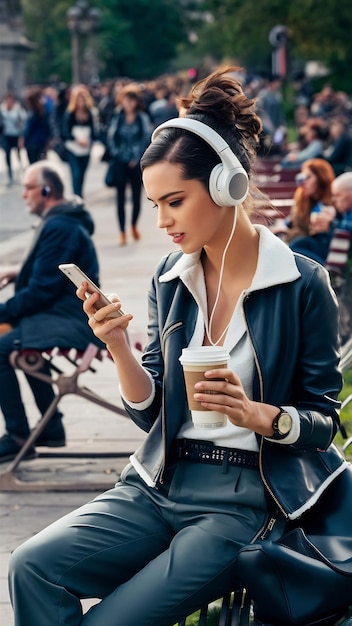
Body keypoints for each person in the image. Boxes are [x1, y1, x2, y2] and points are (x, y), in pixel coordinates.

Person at [8, 67, 346, 626]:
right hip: (159, 483)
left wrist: (256, 414)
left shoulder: (301, 284)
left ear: (226, 186)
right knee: (29, 567)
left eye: (174, 201)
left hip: (242, 503)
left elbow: (322, 422)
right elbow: (150, 413)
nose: (161, 220)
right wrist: (115, 343)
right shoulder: (171, 277)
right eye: (154, 203)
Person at [0, 160, 103, 463]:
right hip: (60, 311)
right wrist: (19, 271)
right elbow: (51, 272)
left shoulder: (60, 226)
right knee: (21, 340)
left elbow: (42, 291)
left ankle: (19, 435)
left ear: (46, 190)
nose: (24, 195)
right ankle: (51, 427)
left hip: (69, 317)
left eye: (28, 188)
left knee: (4, 346)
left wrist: (3, 312)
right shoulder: (61, 221)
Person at [106, 83, 151, 245]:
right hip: (119, 162)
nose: (129, 103)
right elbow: (111, 139)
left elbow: (145, 139)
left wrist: (136, 157)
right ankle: (122, 231)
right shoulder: (117, 117)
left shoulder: (142, 118)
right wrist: (118, 155)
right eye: (126, 100)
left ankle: (133, 225)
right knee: (120, 198)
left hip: (136, 162)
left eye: (131, 100)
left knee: (137, 197)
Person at [282, 158, 336, 264]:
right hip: (303, 248)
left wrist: (330, 225)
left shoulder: (334, 203)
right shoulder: (304, 201)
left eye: (308, 177)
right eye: (301, 178)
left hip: (321, 255)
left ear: (321, 179)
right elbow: (290, 223)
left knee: (297, 245)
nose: (303, 182)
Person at [62, 84, 99, 197]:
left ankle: (79, 195)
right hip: (73, 148)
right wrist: (77, 140)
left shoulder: (90, 113)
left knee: (82, 174)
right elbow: (65, 132)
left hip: (86, 148)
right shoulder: (70, 114)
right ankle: (76, 196)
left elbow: (94, 131)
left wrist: (90, 142)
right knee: (76, 173)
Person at [0, 91, 27, 185]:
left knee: (18, 155)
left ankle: (21, 173)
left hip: (16, 135)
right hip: (6, 135)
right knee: (7, 155)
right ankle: (10, 176)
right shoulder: (2, 109)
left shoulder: (18, 109)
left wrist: (21, 136)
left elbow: (24, 121)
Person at [23, 86, 53, 164]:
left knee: (33, 164)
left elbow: (27, 129)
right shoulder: (44, 110)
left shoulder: (32, 113)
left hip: (32, 143)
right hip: (42, 142)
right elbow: (48, 127)